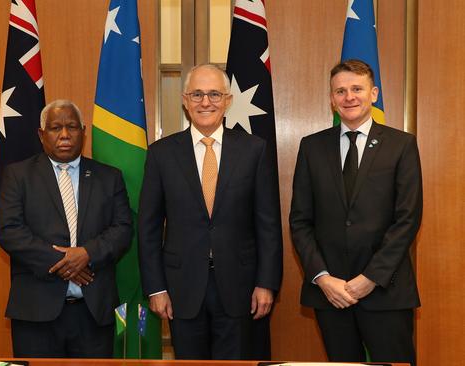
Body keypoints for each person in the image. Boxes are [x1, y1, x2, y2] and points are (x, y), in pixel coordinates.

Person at [138, 64, 283, 359]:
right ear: (185, 100)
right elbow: (148, 227)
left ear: (228, 100)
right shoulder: (161, 153)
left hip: (240, 286)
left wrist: (266, 284)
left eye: (214, 94)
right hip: (182, 288)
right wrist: (156, 288)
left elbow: (268, 224)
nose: (206, 102)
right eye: (197, 94)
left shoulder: (254, 150)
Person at [290, 59, 422, 365]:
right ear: (332, 99)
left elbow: (408, 219)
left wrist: (371, 278)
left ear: (373, 93)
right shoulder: (311, 147)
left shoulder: (401, 145)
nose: (349, 97)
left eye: (357, 89)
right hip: (330, 294)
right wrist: (322, 278)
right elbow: (300, 221)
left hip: (385, 291)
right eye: (340, 91)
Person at [0, 99, 132, 358]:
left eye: (72, 127)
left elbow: (123, 229)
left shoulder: (109, 177)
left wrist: (87, 254)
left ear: (83, 132)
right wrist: (67, 262)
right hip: (36, 312)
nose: (65, 135)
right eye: (56, 128)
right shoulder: (17, 175)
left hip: (93, 313)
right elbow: (9, 231)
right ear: (41, 134)